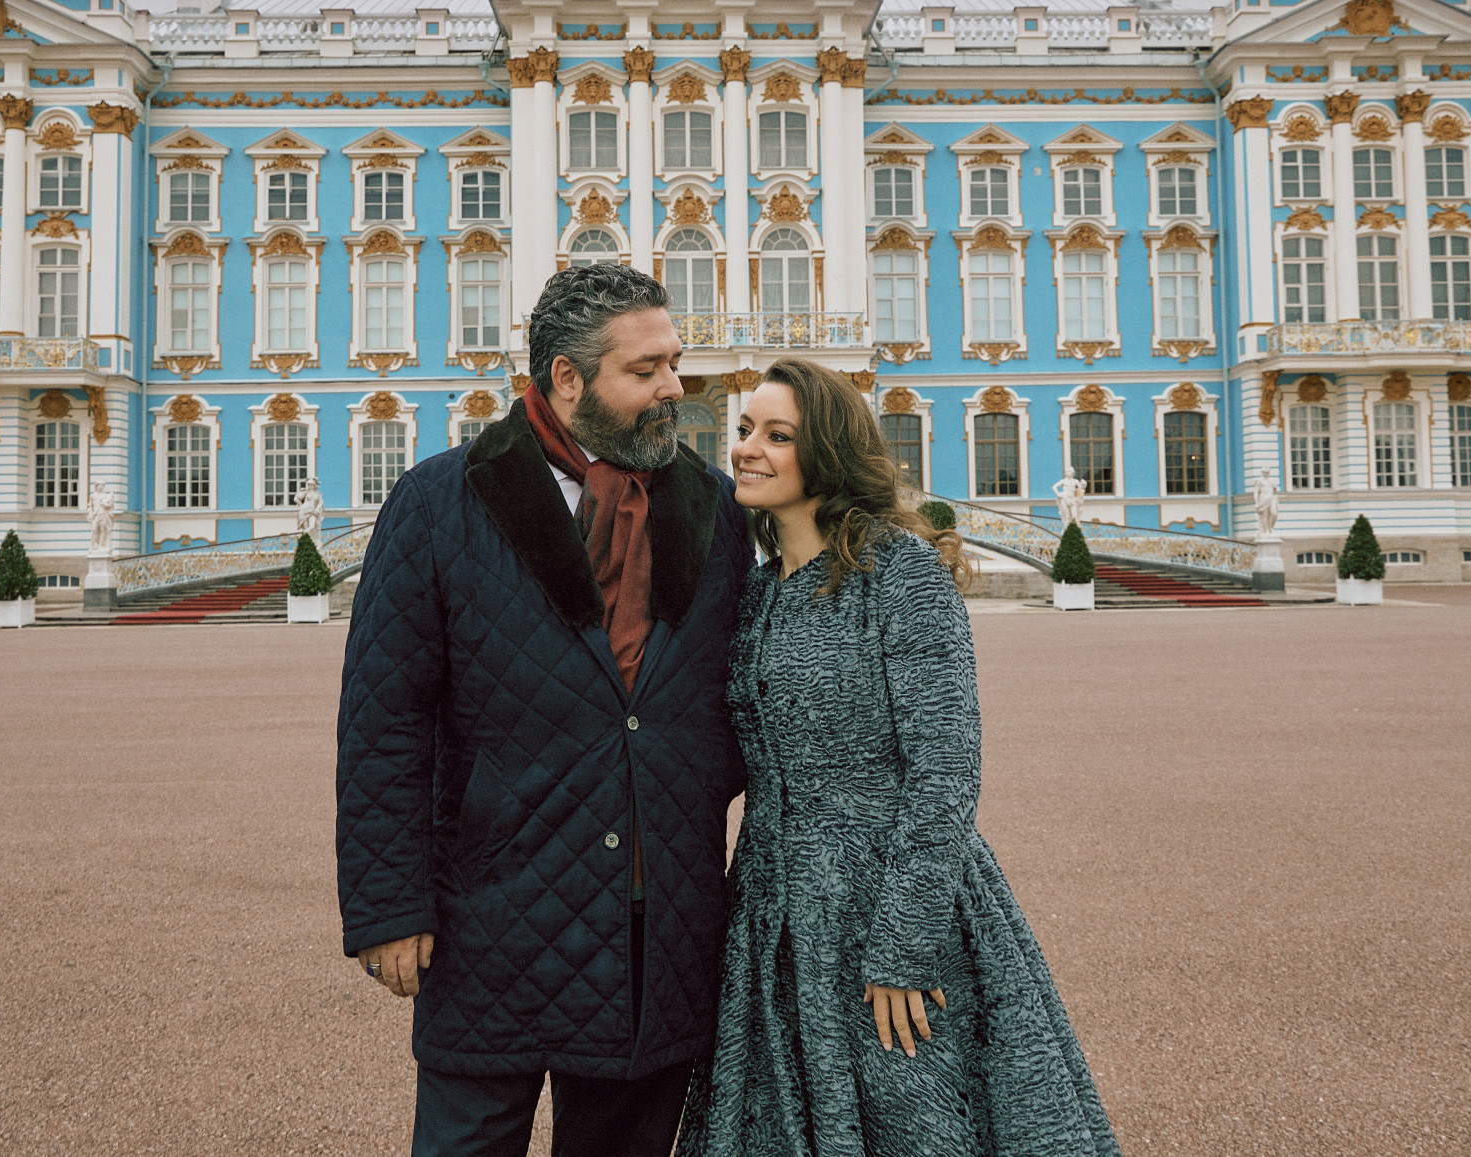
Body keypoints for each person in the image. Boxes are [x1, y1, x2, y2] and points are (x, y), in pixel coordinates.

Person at [336, 262, 754, 1157]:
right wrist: (388, 905)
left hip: (659, 920)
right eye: (646, 370)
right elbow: (384, 720)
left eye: (674, 363)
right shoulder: (439, 501)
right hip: (494, 913)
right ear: (568, 377)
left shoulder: (717, 507)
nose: (674, 388)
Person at [678, 358, 1122, 1157]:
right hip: (774, 916)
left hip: (888, 902)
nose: (747, 448)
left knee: (920, 1124)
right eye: (744, 429)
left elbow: (944, 767)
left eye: (778, 435)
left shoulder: (899, 571)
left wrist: (905, 943)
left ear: (828, 452)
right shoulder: (758, 590)